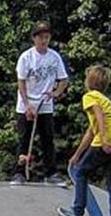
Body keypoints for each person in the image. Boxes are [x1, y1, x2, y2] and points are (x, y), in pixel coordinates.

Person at [57, 64, 111, 216]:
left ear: (88, 81)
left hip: (106, 141)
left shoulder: (90, 97)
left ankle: (77, 212)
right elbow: (91, 131)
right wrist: (77, 155)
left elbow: (98, 116)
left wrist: (104, 138)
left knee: (81, 173)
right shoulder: (107, 101)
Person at [10, 21, 68, 185]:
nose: (44, 41)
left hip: (45, 104)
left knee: (47, 139)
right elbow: (21, 83)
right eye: (41, 37)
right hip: (26, 104)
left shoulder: (54, 57)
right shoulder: (26, 58)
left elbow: (63, 79)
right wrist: (27, 105)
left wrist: (56, 93)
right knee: (24, 139)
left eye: (47, 37)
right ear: (34, 39)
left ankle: (51, 173)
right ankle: (19, 172)